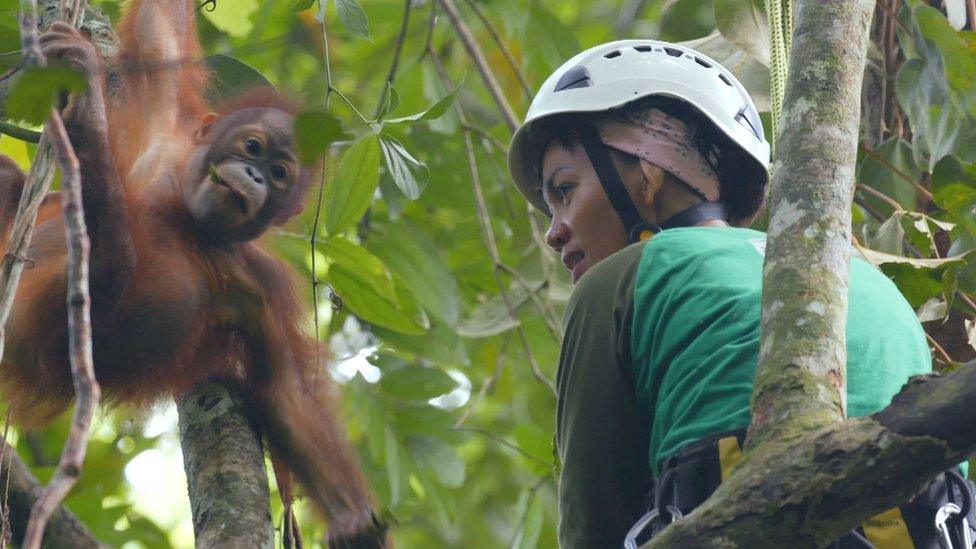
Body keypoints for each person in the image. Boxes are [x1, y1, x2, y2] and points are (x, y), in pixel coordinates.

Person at [507, 40, 975, 548]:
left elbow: (595, 516)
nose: (554, 232)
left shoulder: (623, 280)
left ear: (647, 170)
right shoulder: (865, 275)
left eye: (564, 190)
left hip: (739, 501)